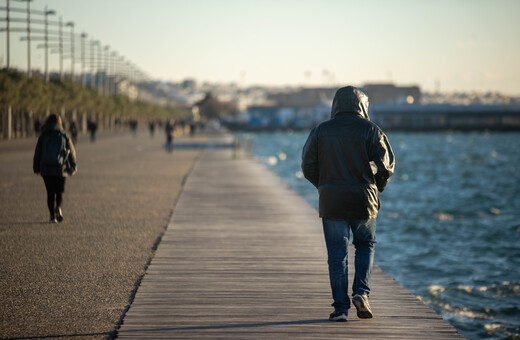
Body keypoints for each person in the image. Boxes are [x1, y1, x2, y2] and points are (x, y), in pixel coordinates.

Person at [301, 86, 395, 322]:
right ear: (363, 106)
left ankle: (341, 309)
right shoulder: (372, 130)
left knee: (337, 253)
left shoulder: (321, 131)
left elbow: (307, 165)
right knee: (365, 246)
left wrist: (324, 186)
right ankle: (361, 294)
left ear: (336, 105)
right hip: (364, 200)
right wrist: (377, 186)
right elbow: (386, 166)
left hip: (332, 200)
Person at [33, 114, 77, 223]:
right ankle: (58, 207)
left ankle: (52, 217)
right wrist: (73, 165)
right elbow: (71, 151)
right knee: (60, 191)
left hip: (46, 168)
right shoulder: (64, 135)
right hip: (61, 167)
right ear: (59, 122)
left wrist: (36, 168)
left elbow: (38, 152)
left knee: (50, 192)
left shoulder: (43, 135)